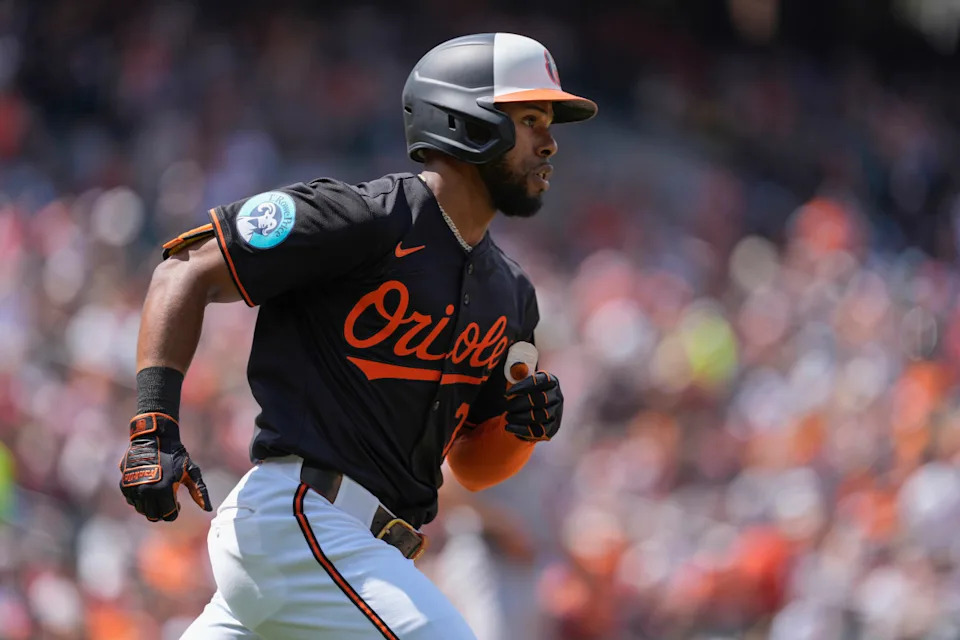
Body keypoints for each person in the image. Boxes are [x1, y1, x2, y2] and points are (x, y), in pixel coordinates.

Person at [118, 32, 596, 639]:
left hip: (353, 556)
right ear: (466, 121)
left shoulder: (513, 294)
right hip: (302, 519)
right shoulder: (361, 219)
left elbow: (475, 467)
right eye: (531, 119)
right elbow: (183, 272)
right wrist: (151, 425)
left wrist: (521, 430)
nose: (551, 142)